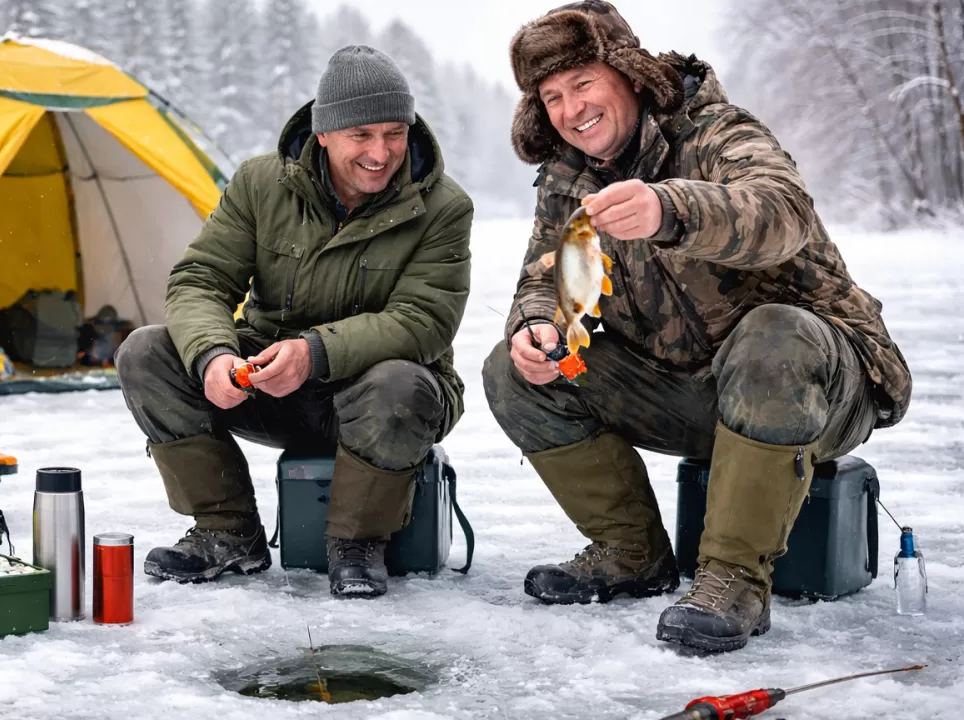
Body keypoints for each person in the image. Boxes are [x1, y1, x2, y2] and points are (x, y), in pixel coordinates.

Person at [483, 0, 911, 652]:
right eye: (552, 96)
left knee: (775, 334)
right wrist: (537, 325)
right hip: (687, 390)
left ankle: (734, 582)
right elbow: (545, 274)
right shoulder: (568, 179)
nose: (571, 110)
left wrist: (670, 207)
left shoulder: (717, 132)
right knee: (514, 372)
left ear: (626, 74)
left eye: (583, 84)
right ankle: (631, 554)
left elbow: (781, 210)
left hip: (815, 383)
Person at [115, 45, 473, 598]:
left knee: (397, 382)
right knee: (146, 353)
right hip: (269, 386)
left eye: (394, 133)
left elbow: (423, 320)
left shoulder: (444, 206)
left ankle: (357, 544)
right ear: (323, 132)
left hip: (384, 399)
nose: (382, 153)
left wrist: (314, 353)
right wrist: (214, 355)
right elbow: (200, 281)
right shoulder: (261, 183)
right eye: (362, 135)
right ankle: (227, 532)